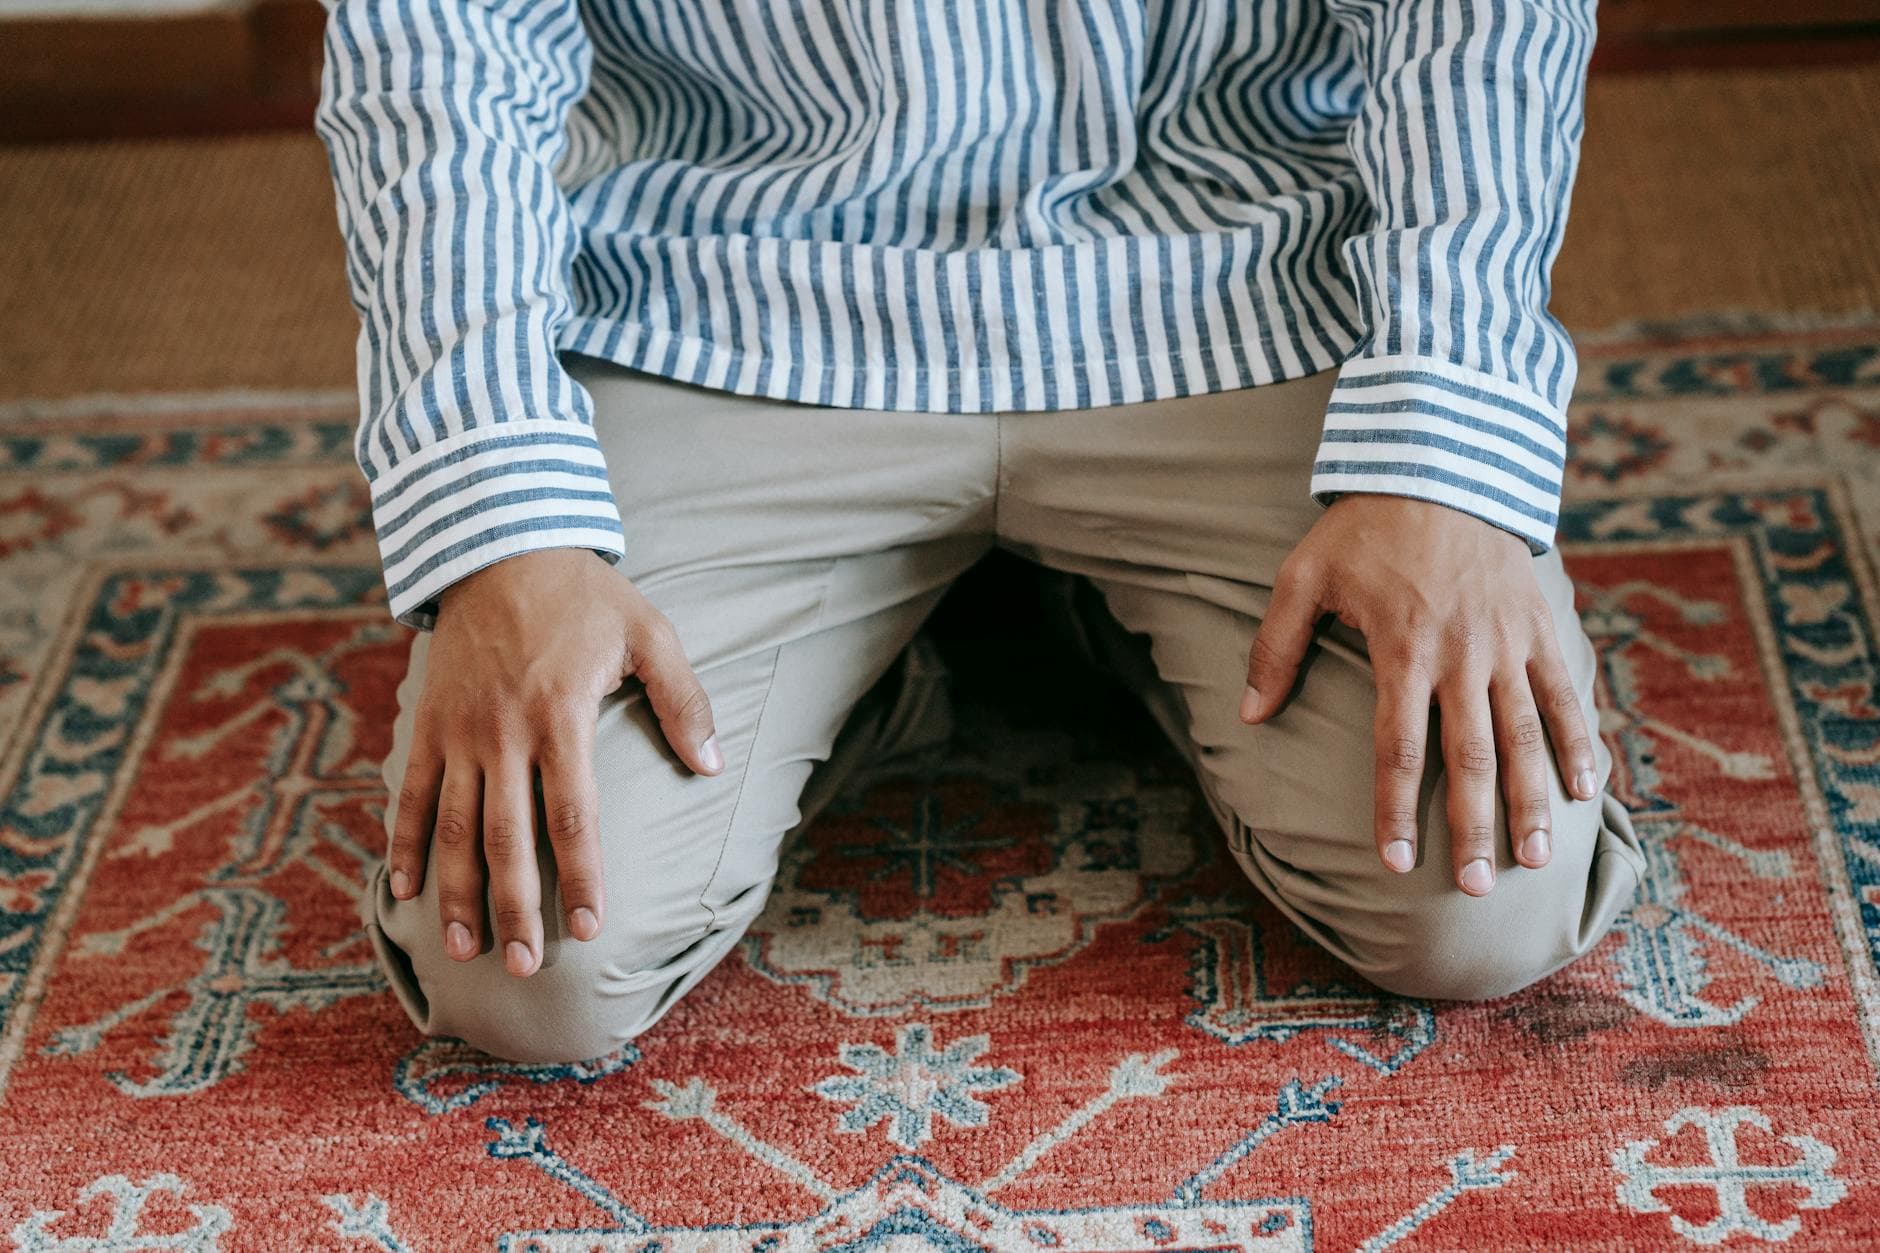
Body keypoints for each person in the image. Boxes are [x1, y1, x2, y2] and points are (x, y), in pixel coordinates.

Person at [316, 0, 1643, 1063]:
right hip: (731, 294)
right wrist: (504, 526)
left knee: (1483, 898)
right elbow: (441, 39)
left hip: (1234, 275)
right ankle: (906, 661)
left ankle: (1085, 627)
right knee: (529, 971)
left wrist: (1442, 445)